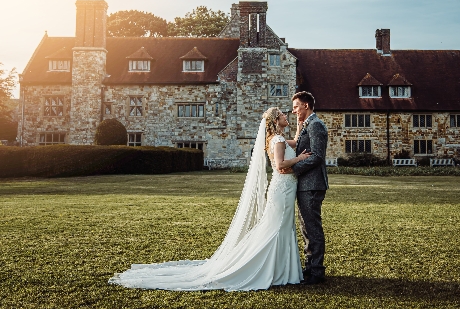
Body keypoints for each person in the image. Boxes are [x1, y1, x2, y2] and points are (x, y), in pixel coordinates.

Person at [108, 107, 311, 291]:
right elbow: (280, 165)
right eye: (283, 114)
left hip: (286, 189)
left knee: (283, 227)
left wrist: (302, 125)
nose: (287, 115)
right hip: (281, 190)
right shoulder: (276, 140)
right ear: (276, 120)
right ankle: (270, 269)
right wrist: (301, 158)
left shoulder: (280, 139)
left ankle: (283, 270)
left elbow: (294, 142)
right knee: (276, 228)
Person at [278, 91, 328, 285]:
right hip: (305, 184)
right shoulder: (306, 125)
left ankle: (317, 272)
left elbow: (317, 156)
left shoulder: (316, 125)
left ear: (306, 105)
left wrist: (293, 168)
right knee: (305, 227)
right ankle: (309, 268)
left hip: (313, 184)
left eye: (296, 106)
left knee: (312, 227)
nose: (293, 110)